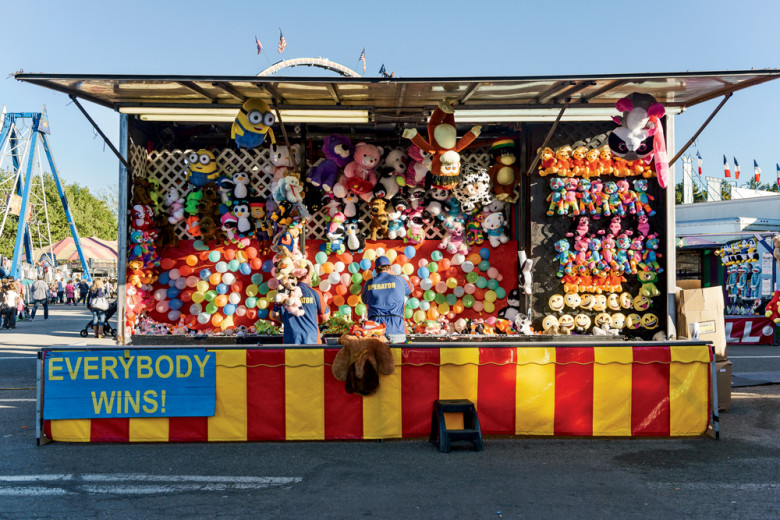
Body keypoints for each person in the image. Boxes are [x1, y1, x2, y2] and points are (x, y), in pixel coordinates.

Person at [269, 265, 329, 345]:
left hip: (291, 338)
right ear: (307, 275)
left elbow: (274, 314)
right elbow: (326, 317)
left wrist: (287, 321)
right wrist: (324, 302)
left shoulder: (284, 293)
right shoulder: (315, 293)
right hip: (312, 339)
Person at [361, 256, 412, 343]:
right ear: (390, 268)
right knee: (397, 356)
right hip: (396, 330)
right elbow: (411, 289)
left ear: (376, 270)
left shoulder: (368, 284)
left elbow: (365, 300)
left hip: (376, 332)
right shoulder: (400, 280)